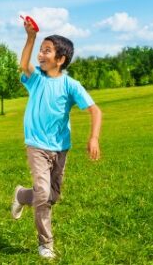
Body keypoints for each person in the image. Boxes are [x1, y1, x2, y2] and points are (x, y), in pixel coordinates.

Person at [11, 17, 102, 260]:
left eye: (47, 51)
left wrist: (93, 138)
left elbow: (95, 110)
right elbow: (24, 64)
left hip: (60, 147)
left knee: (52, 196)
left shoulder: (71, 85)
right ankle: (46, 243)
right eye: (41, 50)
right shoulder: (36, 80)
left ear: (60, 60)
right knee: (43, 194)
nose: (41, 55)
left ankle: (21, 195)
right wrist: (30, 37)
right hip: (36, 145)